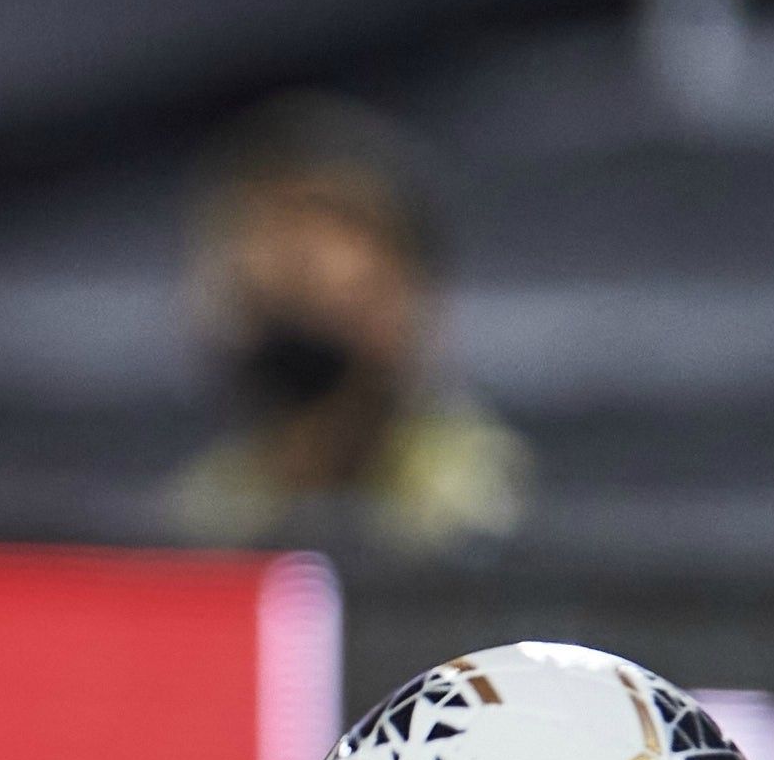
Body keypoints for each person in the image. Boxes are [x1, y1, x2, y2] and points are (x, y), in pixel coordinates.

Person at [165, 91, 528, 558]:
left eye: (331, 228)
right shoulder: (214, 506)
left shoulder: (474, 503)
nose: (287, 259)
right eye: (261, 228)